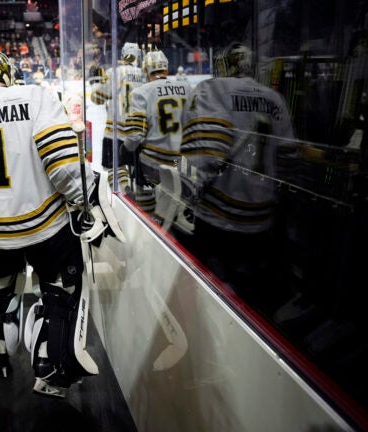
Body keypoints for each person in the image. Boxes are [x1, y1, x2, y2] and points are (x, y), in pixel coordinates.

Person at [0, 50, 101, 398]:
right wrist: (86, 198)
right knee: (59, 289)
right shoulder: (37, 95)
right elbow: (62, 162)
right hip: (47, 227)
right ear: (10, 73)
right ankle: (49, 363)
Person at [179, 42, 296, 306]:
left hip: (219, 217)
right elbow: (289, 154)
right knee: (250, 295)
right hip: (262, 217)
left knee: (212, 295)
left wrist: (183, 187)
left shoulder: (214, 88)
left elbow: (206, 156)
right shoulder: (274, 97)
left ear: (227, 63)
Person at [121, 49, 192, 225]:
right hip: (177, 161)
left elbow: (135, 135)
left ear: (146, 71)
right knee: (173, 195)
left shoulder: (141, 92)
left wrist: (125, 149)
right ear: (166, 69)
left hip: (152, 164)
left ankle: (149, 221)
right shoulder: (187, 88)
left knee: (146, 200)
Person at [89, 42, 146, 192]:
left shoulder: (114, 72)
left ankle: (123, 190)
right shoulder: (144, 75)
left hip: (115, 131)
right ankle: (135, 192)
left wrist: (95, 86)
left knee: (113, 167)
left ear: (122, 56)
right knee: (135, 166)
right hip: (139, 132)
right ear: (138, 57)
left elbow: (97, 98)